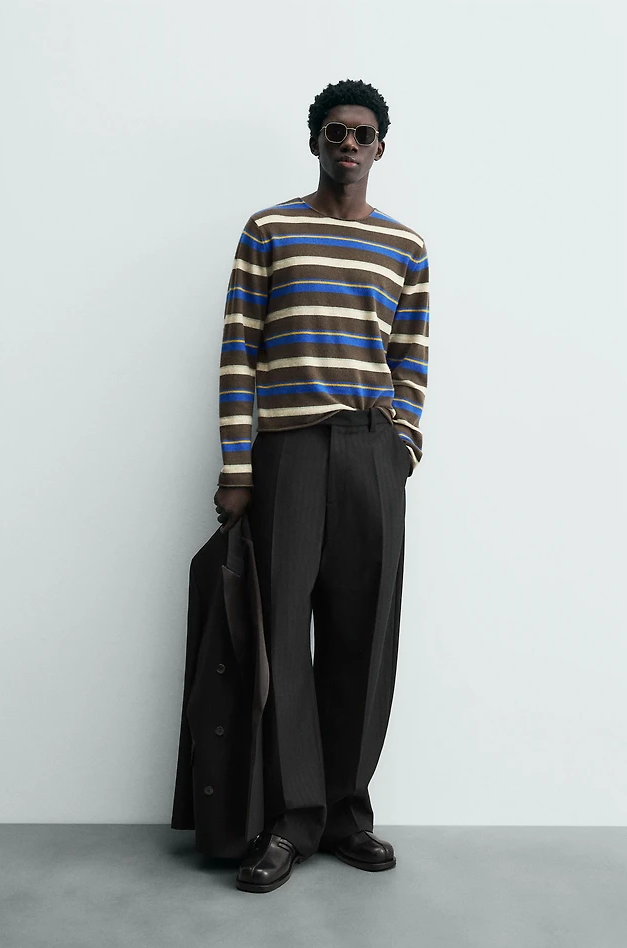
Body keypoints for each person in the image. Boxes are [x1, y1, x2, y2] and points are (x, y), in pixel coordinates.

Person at [212, 78, 430, 893]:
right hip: (290, 450)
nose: (349, 144)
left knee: (363, 639)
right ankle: (291, 820)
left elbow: (411, 353)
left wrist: (403, 445)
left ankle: (346, 815)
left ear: (381, 147)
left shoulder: (405, 245)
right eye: (335, 131)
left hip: (372, 452)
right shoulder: (270, 230)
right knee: (283, 641)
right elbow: (239, 351)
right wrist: (238, 468)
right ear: (315, 141)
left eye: (362, 133)